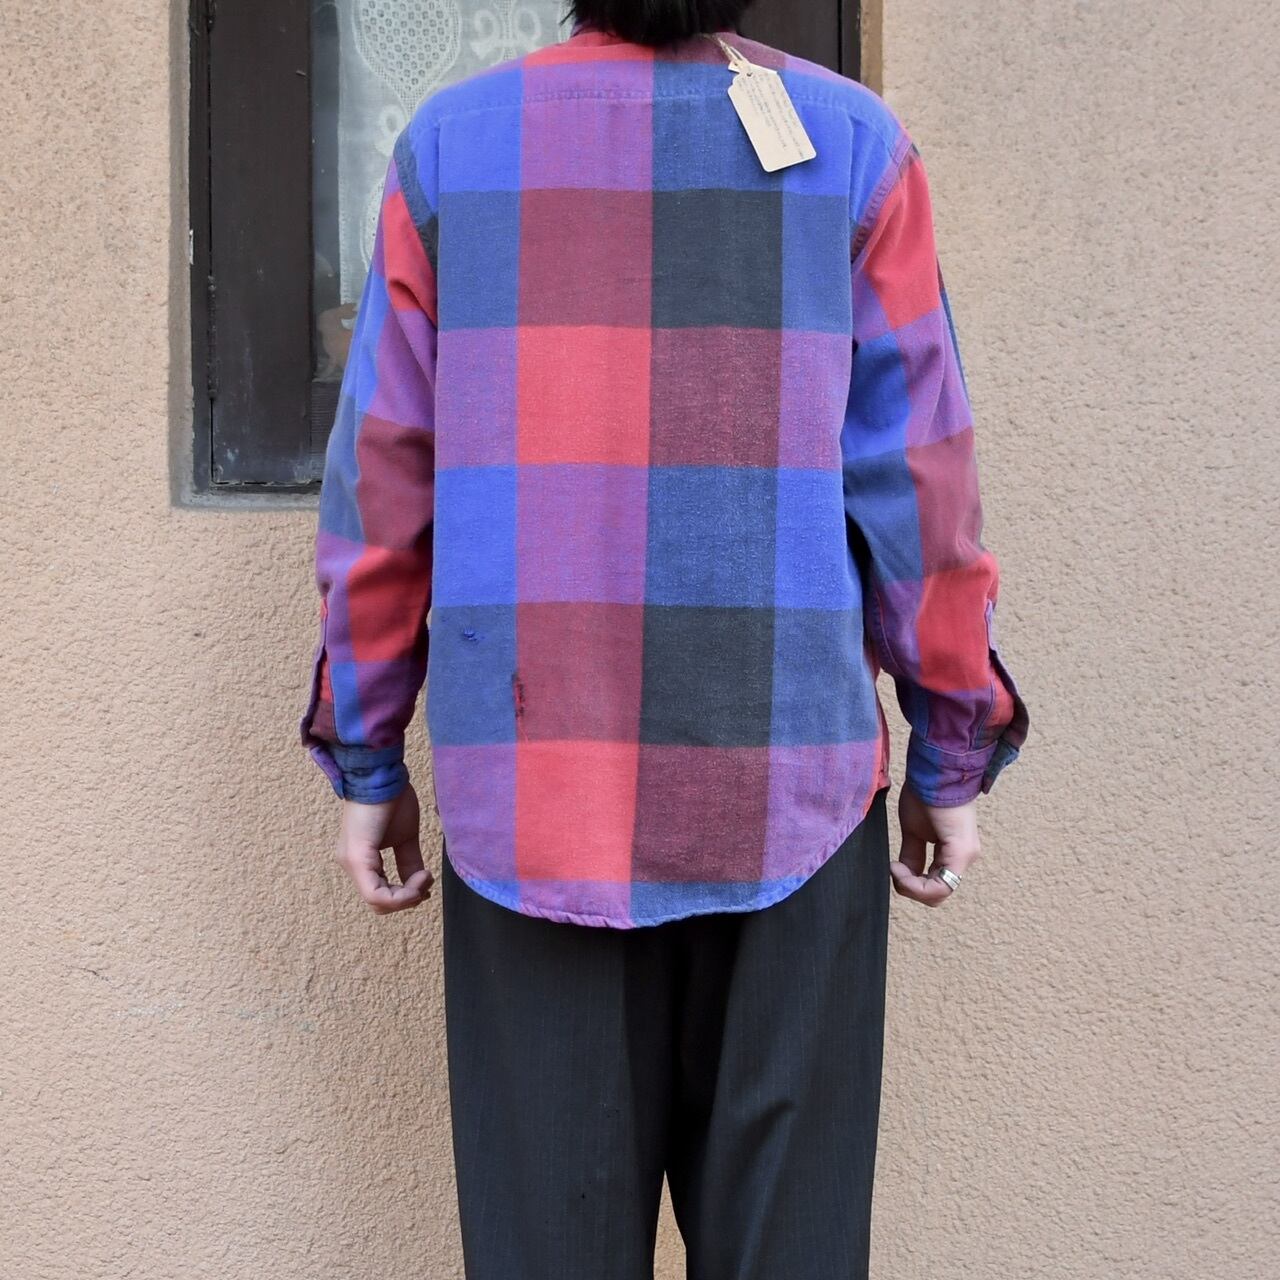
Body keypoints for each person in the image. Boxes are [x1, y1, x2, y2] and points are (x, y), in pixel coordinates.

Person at [298, 1, 1029, 1275]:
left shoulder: (451, 148)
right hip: (787, 796)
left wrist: (368, 755)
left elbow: (382, 484)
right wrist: (948, 747)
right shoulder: (852, 146)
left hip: (535, 799)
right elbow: (920, 485)